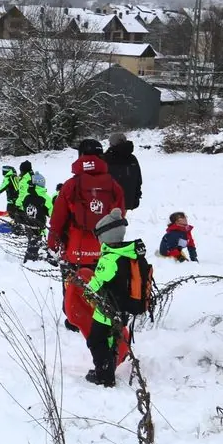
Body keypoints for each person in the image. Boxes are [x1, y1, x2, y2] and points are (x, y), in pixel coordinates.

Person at [48, 139, 126, 335]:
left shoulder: (70, 185)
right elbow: (120, 216)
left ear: (80, 156)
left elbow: (57, 219)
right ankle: (103, 317)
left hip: (75, 250)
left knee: (73, 284)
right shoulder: (114, 186)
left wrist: (53, 242)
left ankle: (75, 319)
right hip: (104, 250)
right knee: (102, 282)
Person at [83, 209, 148, 387]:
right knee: (111, 339)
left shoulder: (109, 259)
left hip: (107, 308)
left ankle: (104, 376)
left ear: (105, 236)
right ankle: (107, 369)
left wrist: (87, 290)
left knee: (96, 340)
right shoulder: (127, 253)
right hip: (123, 306)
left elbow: (97, 281)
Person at [13, 160, 53, 261]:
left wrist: (18, 209)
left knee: (32, 239)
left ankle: (31, 257)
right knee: (38, 240)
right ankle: (34, 258)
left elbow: (22, 200)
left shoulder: (27, 196)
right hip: (39, 224)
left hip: (28, 221)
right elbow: (52, 212)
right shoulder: (44, 197)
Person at [104, 132, 143, 211]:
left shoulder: (106, 158)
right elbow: (138, 180)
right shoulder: (132, 159)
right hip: (128, 201)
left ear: (112, 144)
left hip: (109, 201)